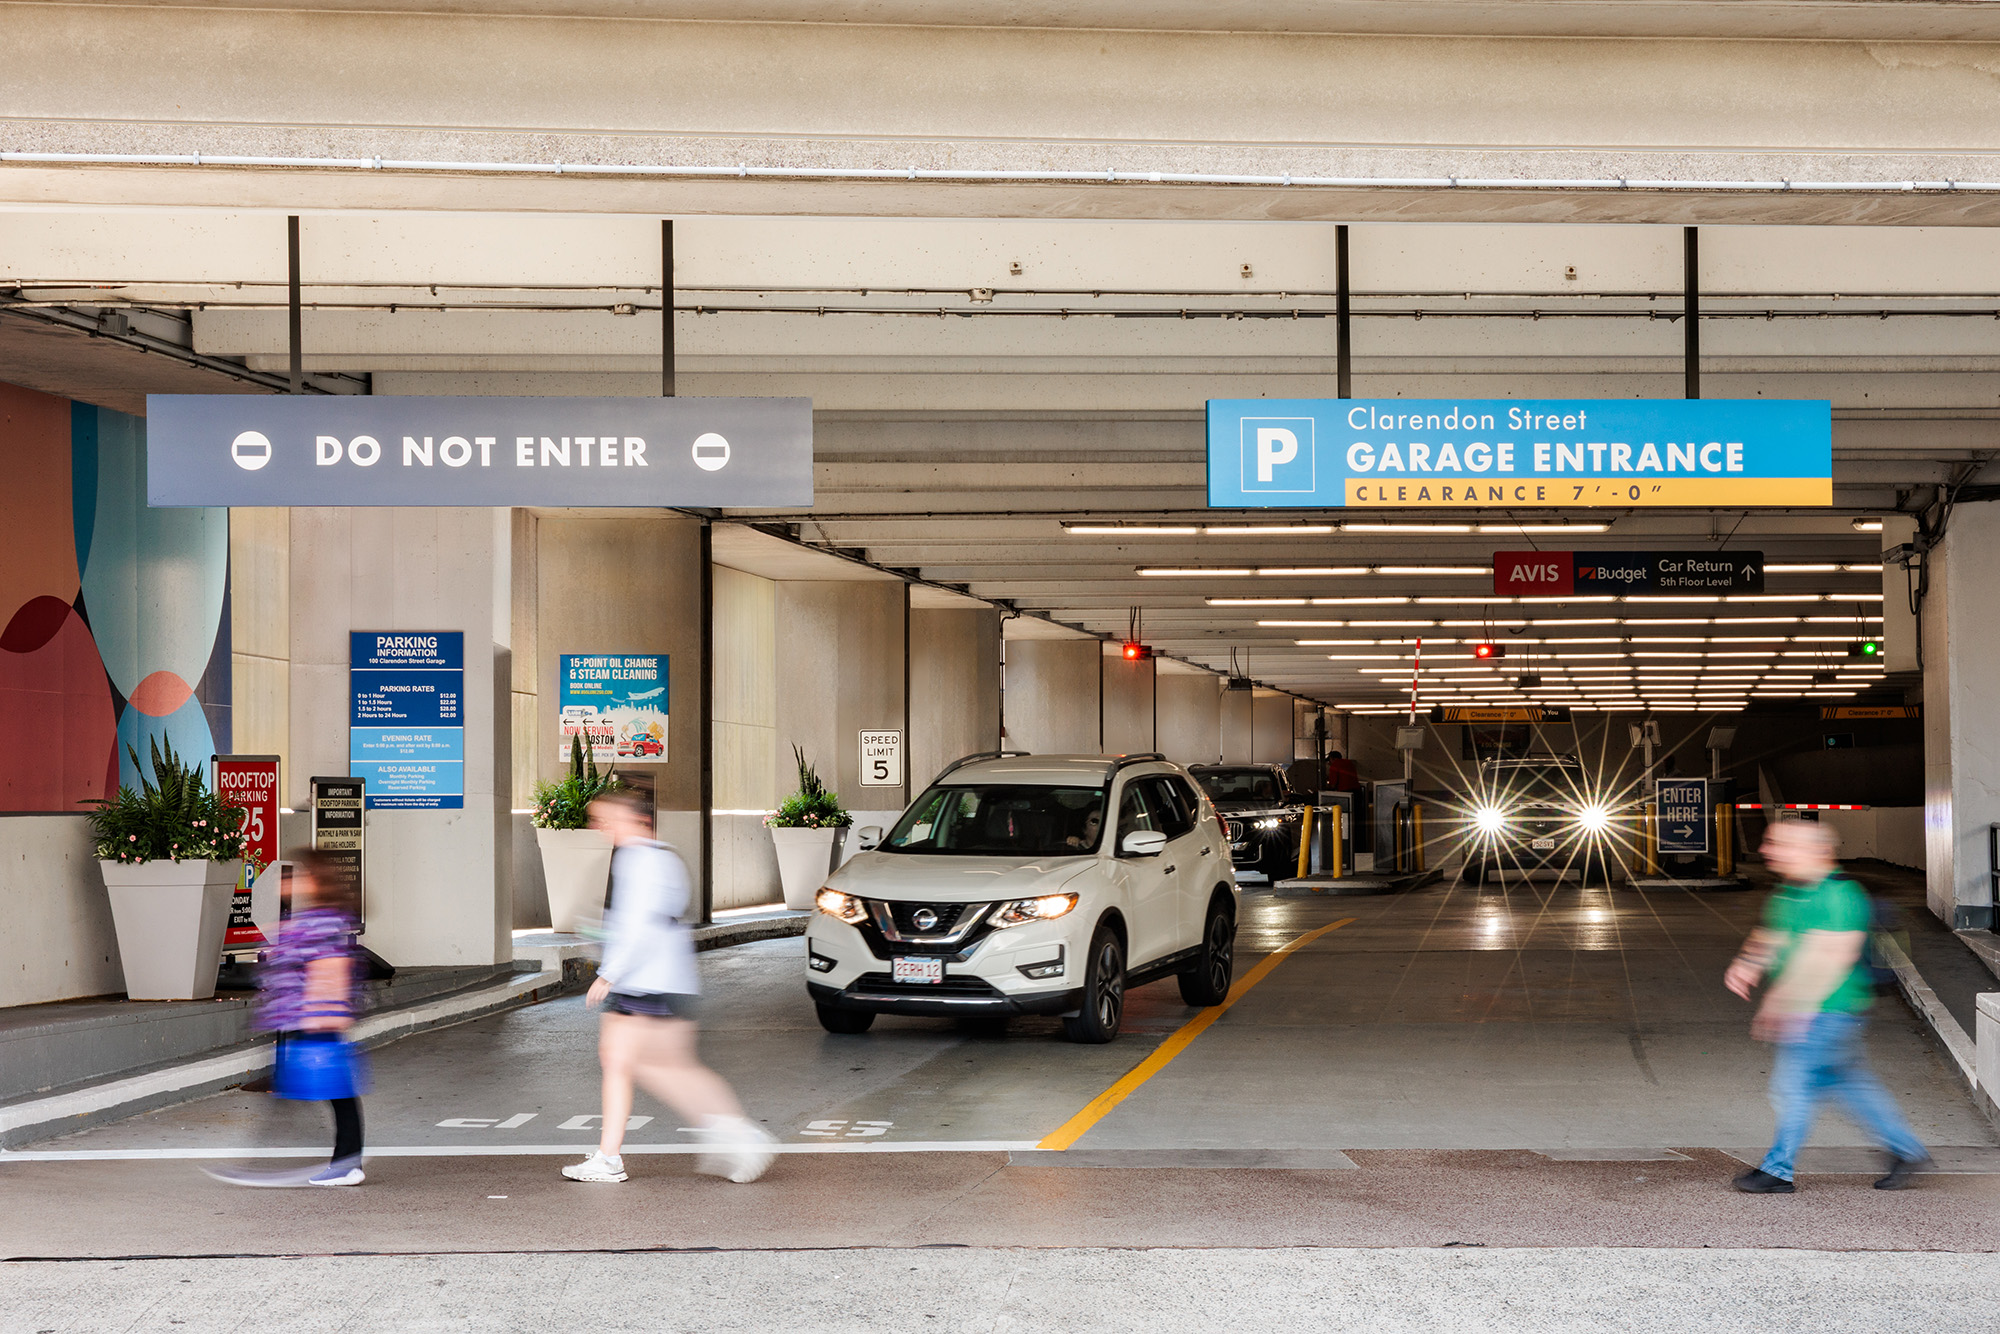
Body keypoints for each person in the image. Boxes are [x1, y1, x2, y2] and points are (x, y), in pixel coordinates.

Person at [562, 787, 775, 1185]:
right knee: (662, 1066)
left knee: (629, 1062)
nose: (602, 827)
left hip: (641, 982)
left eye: (608, 819)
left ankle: (613, 1157)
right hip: (669, 979)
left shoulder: (636, 859)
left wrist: (609, 973)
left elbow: (639, 925)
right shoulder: (664, 856)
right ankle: (735, 1133)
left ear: (637, 820)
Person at [1724, 819, 1930, 1193]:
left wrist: (1784, 1004)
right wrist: (1748, 963)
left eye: (1781, 844)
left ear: (1817, 851)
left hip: (1830, 1009)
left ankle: (1777, 1170)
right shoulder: (1790, 890)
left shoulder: (1840, 896)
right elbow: (1772, 933)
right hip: (1817, 1009)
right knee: (1851, 1084)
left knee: (1792, 1086)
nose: (1769, 850)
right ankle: (1907, 1149)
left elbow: (1831, 957)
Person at [208, 849, 367, 1187]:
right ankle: (344, 1160)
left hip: (312, 1021)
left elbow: (331, 968)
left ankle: (345, 1162)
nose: (292, 883)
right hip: (300, 1020)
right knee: (322, 1092)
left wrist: (321, 1017)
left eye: (301, 876)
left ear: (316, 880)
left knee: (333, 1092)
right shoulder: (315, 919)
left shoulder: (322, 921)